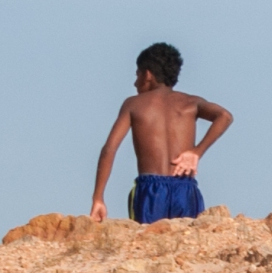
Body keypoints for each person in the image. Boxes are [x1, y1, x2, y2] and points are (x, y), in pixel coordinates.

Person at [91, 42, 233, 223]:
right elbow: (225, 116)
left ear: (148, 74)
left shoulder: (134, 104)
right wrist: (197, 152)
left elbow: (109, 149)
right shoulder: (190, 103)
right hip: (185, 189)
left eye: (137, 74)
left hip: (151, 192)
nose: (135, 82)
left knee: (148, 245)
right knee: (185, 245)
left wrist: (98, 197)